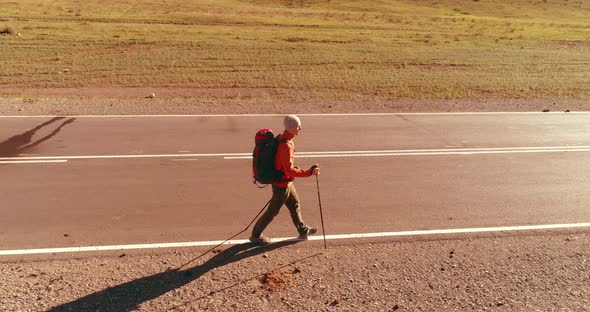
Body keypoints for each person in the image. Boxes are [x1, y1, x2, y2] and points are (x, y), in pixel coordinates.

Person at [250, 115, 320, 245]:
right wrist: (309, 172)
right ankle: (255, 235)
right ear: (293, 128)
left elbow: (284, 166)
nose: (300, 128)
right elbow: (289, 170)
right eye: (298, 126)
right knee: (272, 211)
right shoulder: (286, 146)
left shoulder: (283, 138)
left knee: (295, 204)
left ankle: (303, 230)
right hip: (281, 184)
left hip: (286, 181)